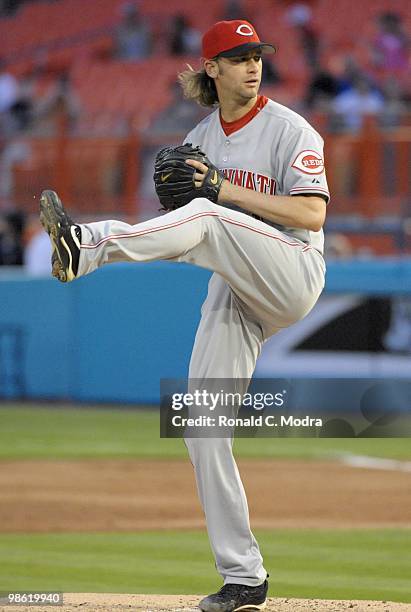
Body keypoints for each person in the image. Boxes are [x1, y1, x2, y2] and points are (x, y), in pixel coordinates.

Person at [40, 19, 329, 612]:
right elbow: (190, 229)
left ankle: (89, 243)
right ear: (213, 70)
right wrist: (196, 201)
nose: (254, 65)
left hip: (294, 270)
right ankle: (244, 576)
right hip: (238, 283)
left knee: (208, 210)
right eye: (240, 57)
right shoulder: (201, 137)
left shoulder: (289, 129)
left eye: (259, 55)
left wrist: (219, 192)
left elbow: (311, 215)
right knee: (201, 423)